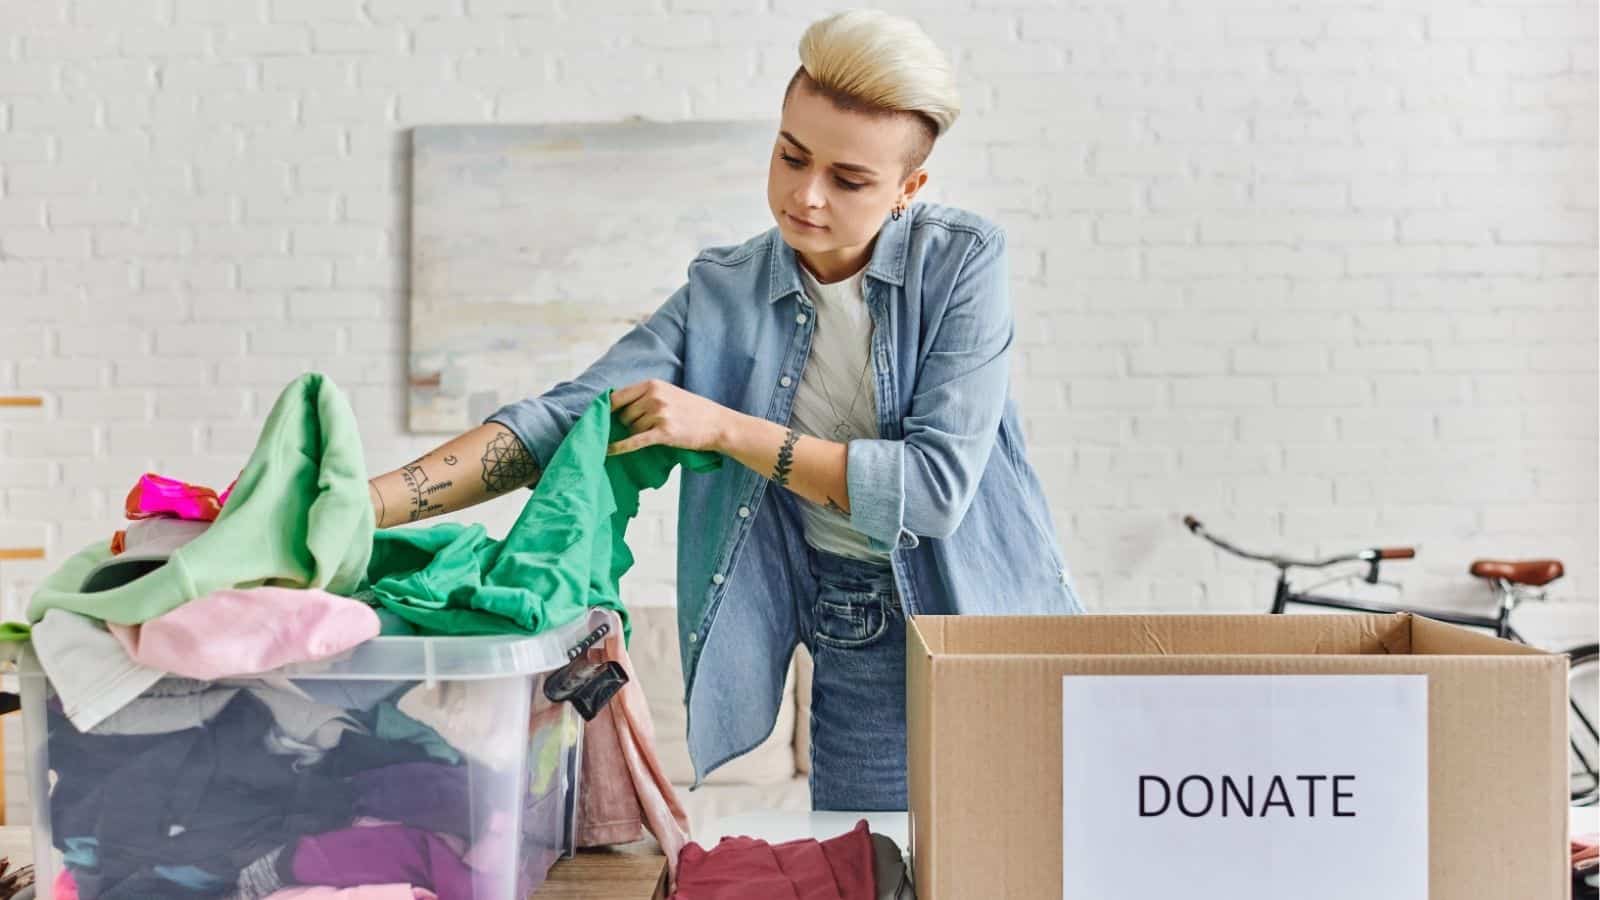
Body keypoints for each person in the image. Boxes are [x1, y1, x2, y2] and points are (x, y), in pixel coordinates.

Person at [367, 9, 1083, 812]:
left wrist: (726, 430)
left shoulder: (962, 263)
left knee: (1030, 851)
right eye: (790, 156)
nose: (806, 196)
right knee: (875, 859)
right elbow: (565, 420)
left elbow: (935, 491)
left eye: (848, 181)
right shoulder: (724, 293)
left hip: (988, 615)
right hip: (853, 620)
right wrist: (361, 506)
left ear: (907, 191)